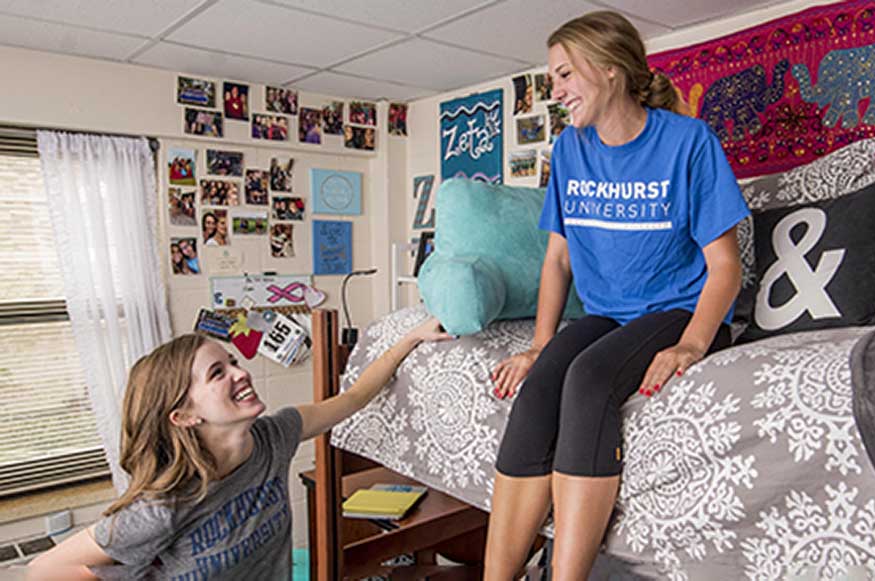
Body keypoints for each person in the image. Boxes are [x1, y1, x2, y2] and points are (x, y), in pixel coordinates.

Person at [485, 11, 749, 580]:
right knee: (542, 385)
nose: (553, 92)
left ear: (609, 70)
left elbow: (725, 265)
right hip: (608, 313)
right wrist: (538, 345)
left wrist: (693, 344)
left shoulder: (688, 142)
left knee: (589, 380)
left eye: (562, 75)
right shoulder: (570, 149)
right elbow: (558, 257)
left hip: (679, 310)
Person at [28, 317, 451, 580]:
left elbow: (354, 398)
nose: (240, 372)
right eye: (218, 372)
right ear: (185, 415)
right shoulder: (162, 506)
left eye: (232, 361)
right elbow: (40, 571)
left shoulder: (274, 437)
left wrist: (411, 337)